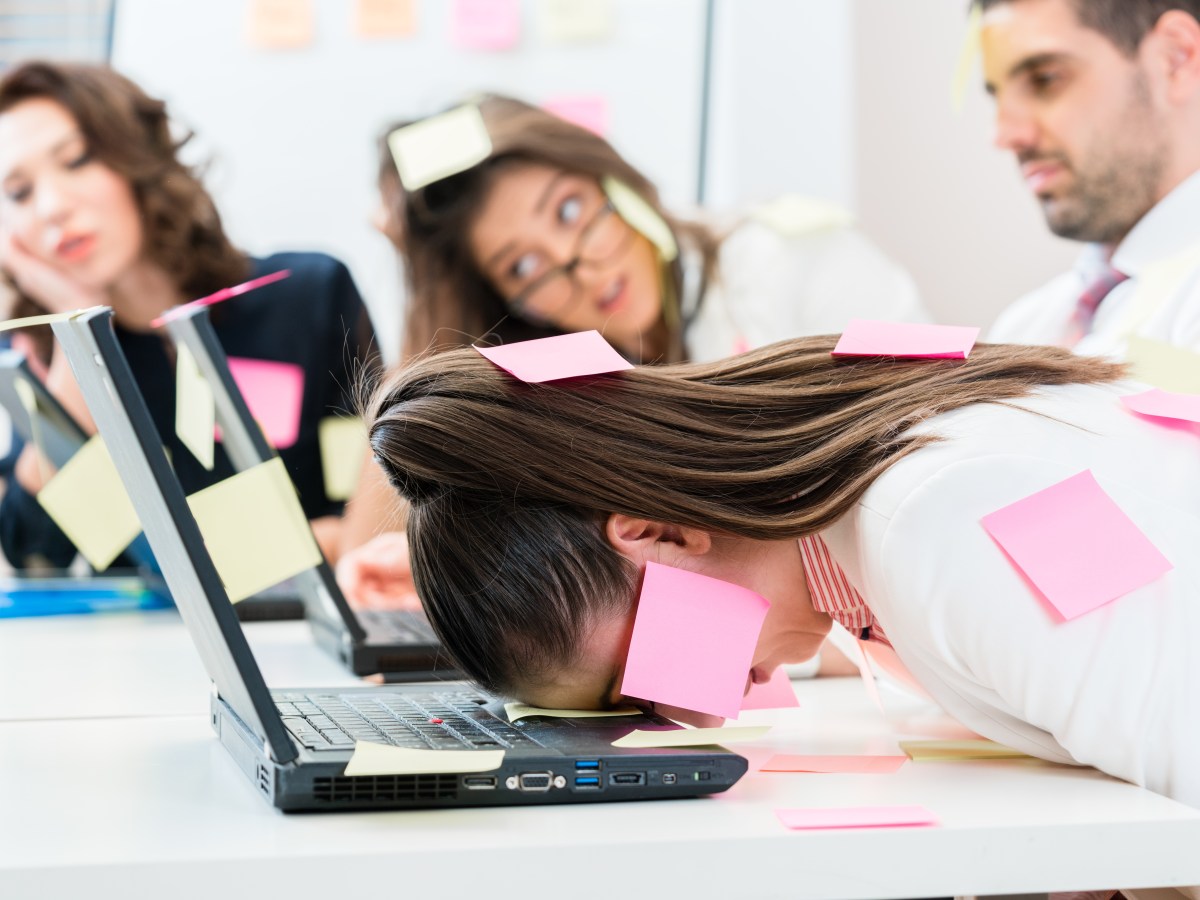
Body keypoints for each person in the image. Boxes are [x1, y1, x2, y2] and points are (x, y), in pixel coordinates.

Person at [364, 336, 1200, 811]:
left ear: (654, 530)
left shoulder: (941, 521)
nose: (699, 712)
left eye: (644, 678)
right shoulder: (858, 465)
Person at [337, 93, 930, 611]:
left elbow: (932, 450)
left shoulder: (789, 260)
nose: (583, 265)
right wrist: (426, 301)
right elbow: (365, 563)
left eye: (569, 210)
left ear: (611, 178)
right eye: (524, 265)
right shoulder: (570, 386)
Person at [0, 61, 378, 570]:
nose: (50, 207)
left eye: (77, 160)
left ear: (138, 156)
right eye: (19, 193)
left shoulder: (309, 293)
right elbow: (38, 553)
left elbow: (367, 509)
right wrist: (75, 329)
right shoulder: (38, 359)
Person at [982, 0, 1200, 354]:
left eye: (1044, 80)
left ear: (1175, 58)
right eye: (998, 96)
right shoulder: (1027, 326)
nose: (1005, 135)